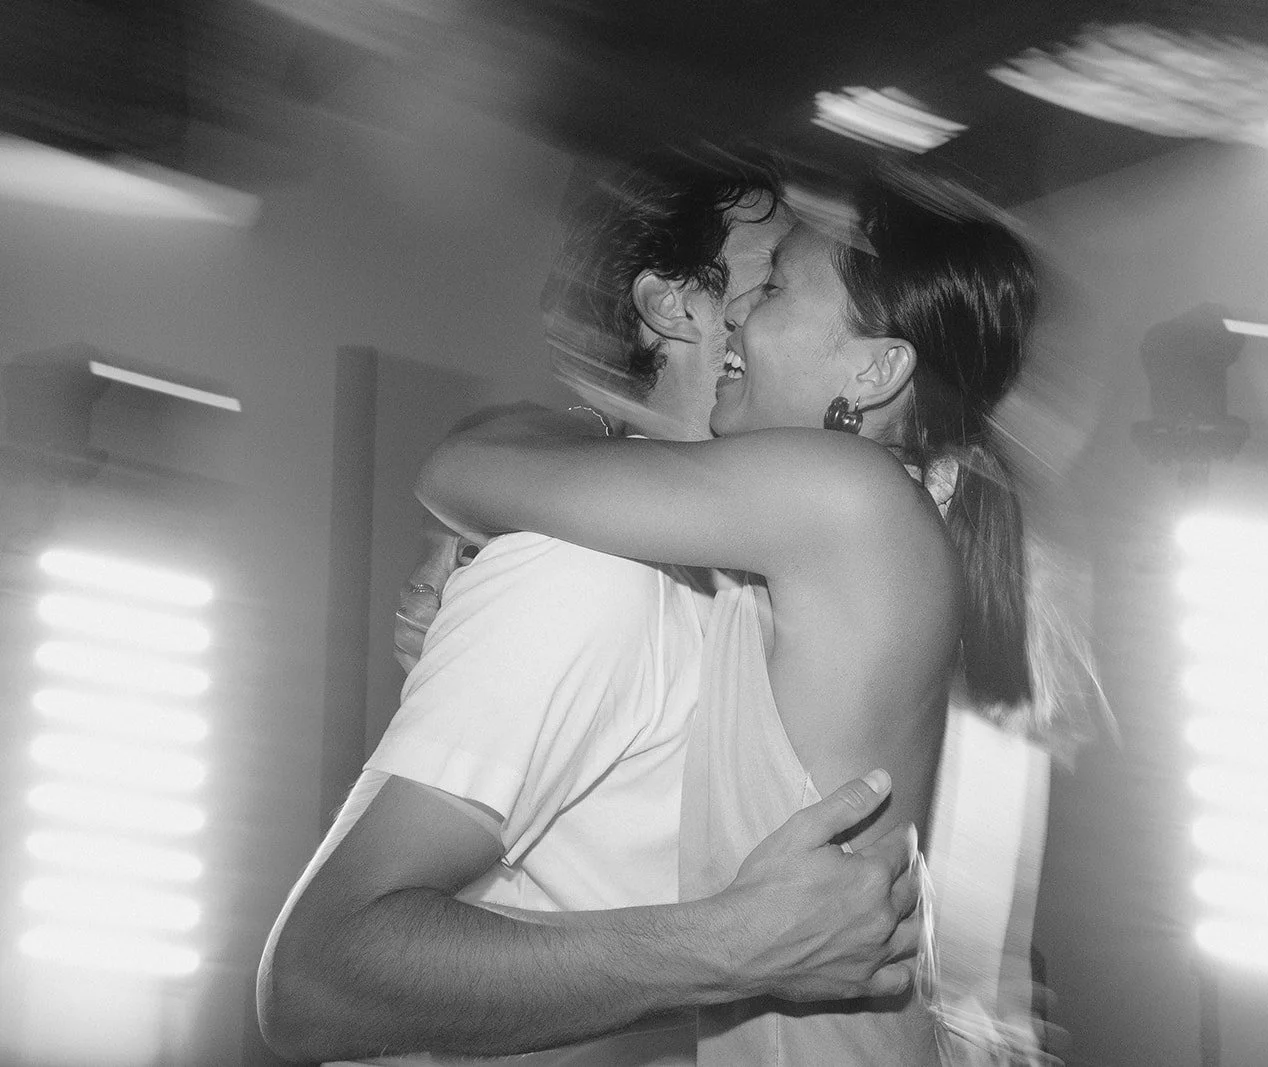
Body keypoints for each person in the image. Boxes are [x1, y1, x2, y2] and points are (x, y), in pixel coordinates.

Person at [257, 148, 923, 1067]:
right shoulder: (582, 571)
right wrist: (732, 947)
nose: (763, 311)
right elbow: (319, 976)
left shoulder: (759, 587)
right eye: (768, 278)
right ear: (670, 306)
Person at [415, 169, 1043, 1064]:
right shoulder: (834, 528)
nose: (737, 314)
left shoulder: (845, 496)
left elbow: (458, 469)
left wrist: (564, 433)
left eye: (774, 288)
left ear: (875, 369)